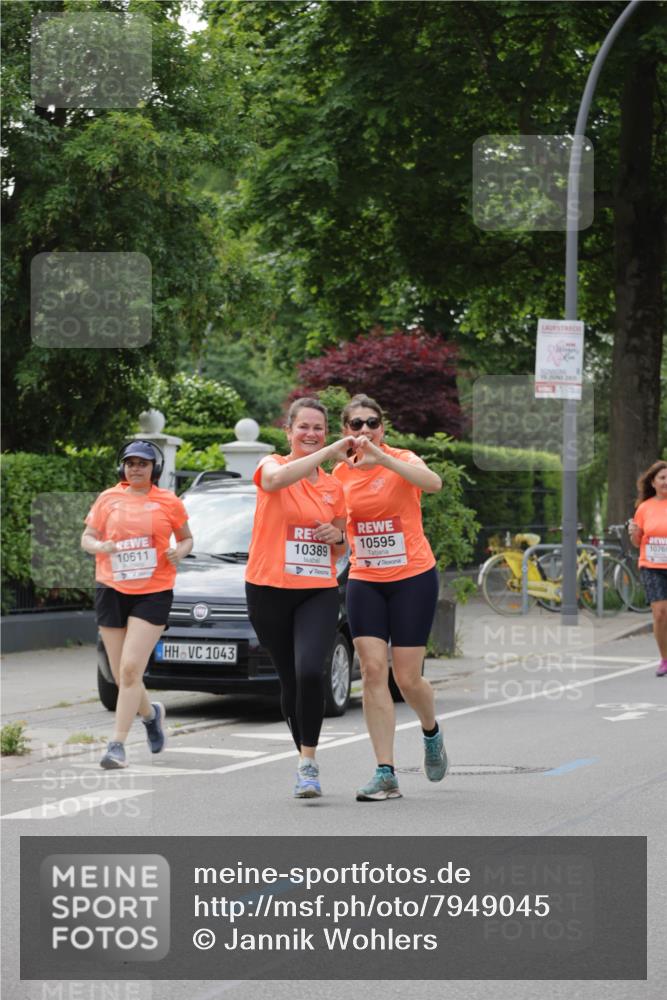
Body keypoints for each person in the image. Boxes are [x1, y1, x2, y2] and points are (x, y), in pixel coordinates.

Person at [332, 394, 447, 801]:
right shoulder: (339, 474)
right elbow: (341, 529)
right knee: (373, 670)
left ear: (382, 428)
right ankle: (386, 772)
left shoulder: (402, 458)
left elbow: (433, 483)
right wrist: (336, 536)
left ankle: (431, 731)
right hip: (366, 578)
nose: (364, 431)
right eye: (356, 425)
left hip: (413, 577)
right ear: (346, 431)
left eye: (372, 423)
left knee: (407, 677)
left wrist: (383, 459)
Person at [245, 398, 355, 798]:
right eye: (304, 427)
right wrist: (330, 452)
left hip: (316, 591)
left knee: (311, 672)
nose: (311, 434)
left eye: (319, 428)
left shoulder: (334, 487)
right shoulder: (270, 465)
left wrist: (337, 537)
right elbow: (275, 482)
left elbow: (342, 545)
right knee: (289, 678)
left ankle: (307, 763)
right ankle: (303, 756)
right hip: (268, 588)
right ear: (288, 432)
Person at [81, 441, 193, 768]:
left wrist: (180, 551)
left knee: (131, 668)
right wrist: (100, 544)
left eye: (142, 464)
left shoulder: (168, 502)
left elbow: (186, 537)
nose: (135, 469)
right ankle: (150, 714)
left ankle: (116, 745)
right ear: (122, 468)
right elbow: (86, 538)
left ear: (153, 469)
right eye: (130, 463)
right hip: (111, 587)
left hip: (153, 590)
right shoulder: (108, 498)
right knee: (120, 676)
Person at [628, 460, 667, 677]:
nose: (666, 482)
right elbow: (636, 542)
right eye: (662, 478)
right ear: (653, 482)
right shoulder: (644, 508)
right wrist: (633, 533)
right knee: (660, 614)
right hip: (652, 566)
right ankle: (665, 659)